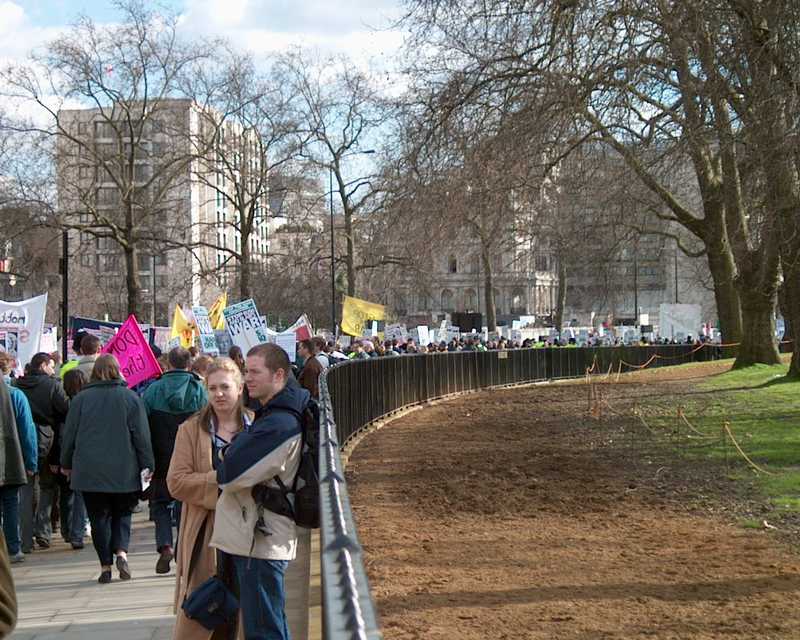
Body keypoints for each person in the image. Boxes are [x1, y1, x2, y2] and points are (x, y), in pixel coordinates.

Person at [211, 344, 309, 640]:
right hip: (257, 536)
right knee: (268, 624)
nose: (247, 378)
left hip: (261, 539)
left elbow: (228, 475)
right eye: (246, 371)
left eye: (255, 372)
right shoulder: (274, 414)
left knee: (264, 630)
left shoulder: (279, 423)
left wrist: (228, 454)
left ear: (278, 375)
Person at [167, 357, 250, 640]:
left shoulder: (257, 427)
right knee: (205, 607)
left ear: (239, 387)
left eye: (225, 387)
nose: (219, 394)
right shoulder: (190, 430)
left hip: (248, 532)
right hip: (205, 534)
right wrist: (223, 482)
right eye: (212, 388)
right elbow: (176, 482)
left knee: (245, 610)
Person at [61, 354, 154, 584]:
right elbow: (141, 436)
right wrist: (148, 464)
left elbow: (69, 436)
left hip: (90, 470)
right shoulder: (131, 398)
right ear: (118, 370)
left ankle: (105, 566)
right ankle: (121, 552)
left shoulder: (81, 400)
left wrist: (66, 463)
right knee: (123, 514)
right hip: (125, 468)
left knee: (98, 517)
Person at [143, 347, 207, 574]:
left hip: (160, 457)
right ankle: (182, 547)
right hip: (190, 458)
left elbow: (143, 426)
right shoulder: (200, 390)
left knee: (160, 504)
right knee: (185, 504)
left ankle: (165, 546)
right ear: (189, 364)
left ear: (168, 364)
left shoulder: (152, 390)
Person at [13, 352, 69, 553]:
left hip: (21, 440)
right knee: (48, 487)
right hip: (48, 441)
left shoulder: (17, 385)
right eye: (51, 365)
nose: (53, 369)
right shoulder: (53, 385)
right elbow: (66, 410)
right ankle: (43, 531)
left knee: (26, 489)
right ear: (43, 365)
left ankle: (25, 540)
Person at [0, 356, 36, 564]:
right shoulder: (15, 395)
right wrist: (30, 461)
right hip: (11, 459)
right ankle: (13, 548)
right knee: (11, 503)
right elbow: (26, 430)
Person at [61, 369, 89, 550]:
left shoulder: (65, 404)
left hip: (75, 453)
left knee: (74, 496)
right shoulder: (88, 401)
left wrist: (65, 461)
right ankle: (78, 532)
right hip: (87, 452)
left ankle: (74, 532)